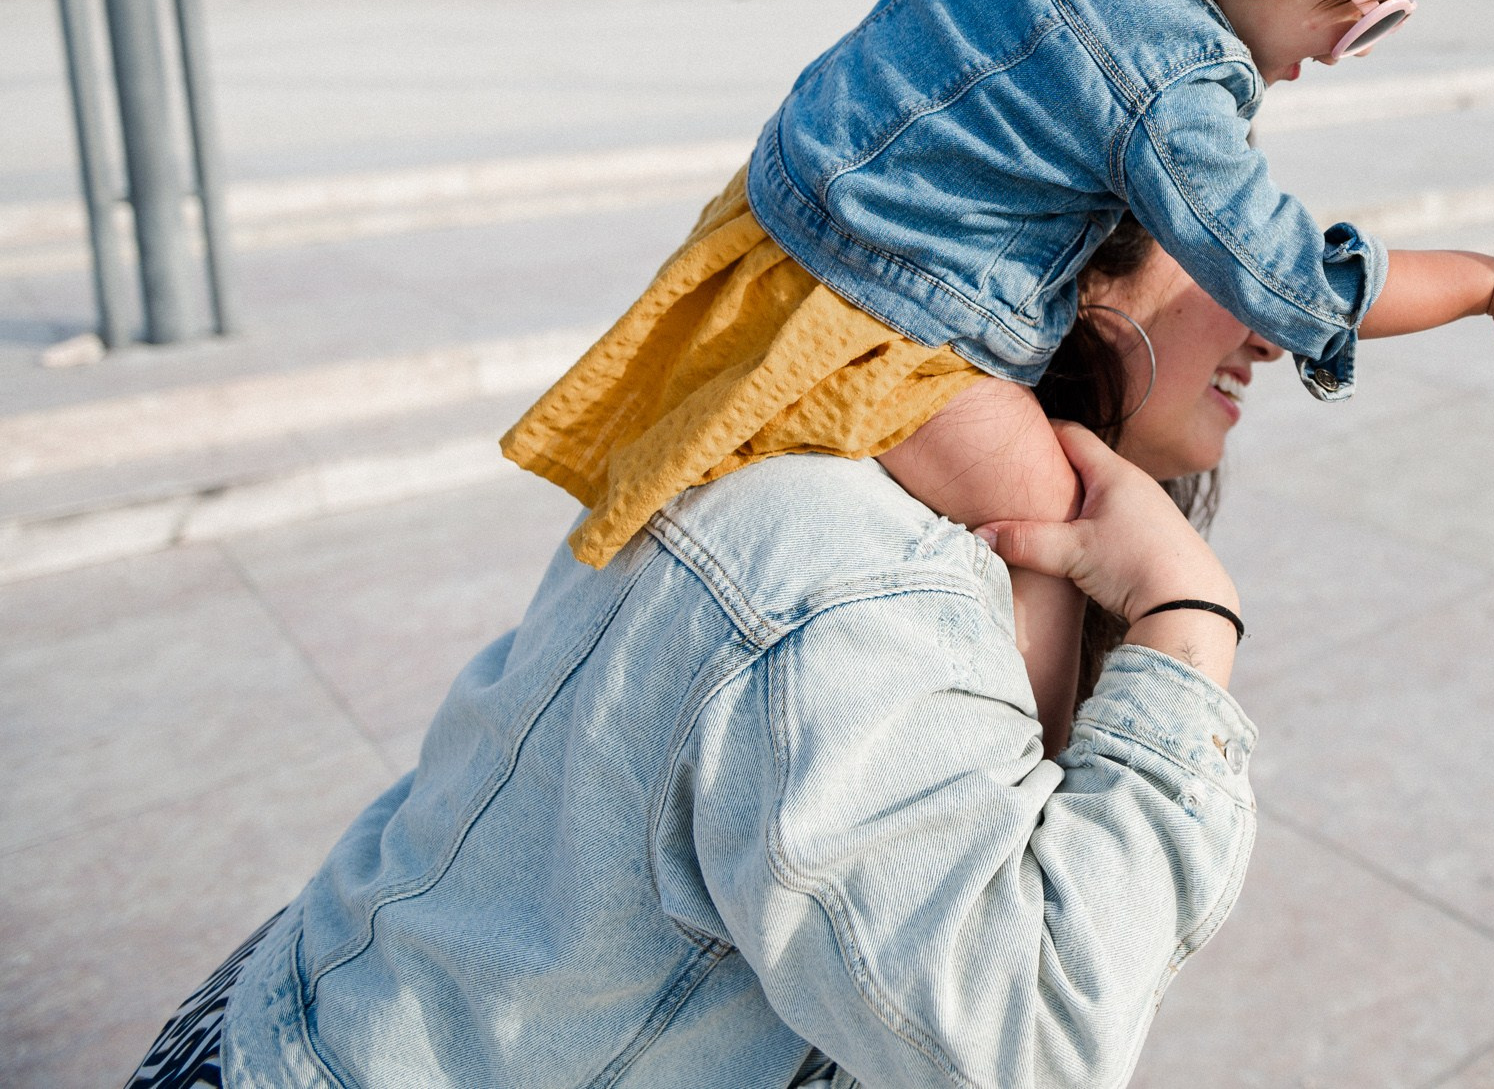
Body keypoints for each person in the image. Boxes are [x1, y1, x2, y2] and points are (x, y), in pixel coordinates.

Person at [497, 0, 1494, 754]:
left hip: (774, 214)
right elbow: (1289, 281)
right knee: (1052, 504)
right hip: (894, 309)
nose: (1340, 50)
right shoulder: (1175, 76)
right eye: (1367, 14)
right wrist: (1478, 281)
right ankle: (1027, 760)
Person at [127, 224, 1280, 1089]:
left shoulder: (853, 450)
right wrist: (1188, 622)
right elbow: (1024, 1039)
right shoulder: (865, 574)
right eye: (1234, 253)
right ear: (1079, 268)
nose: (1274, 325)